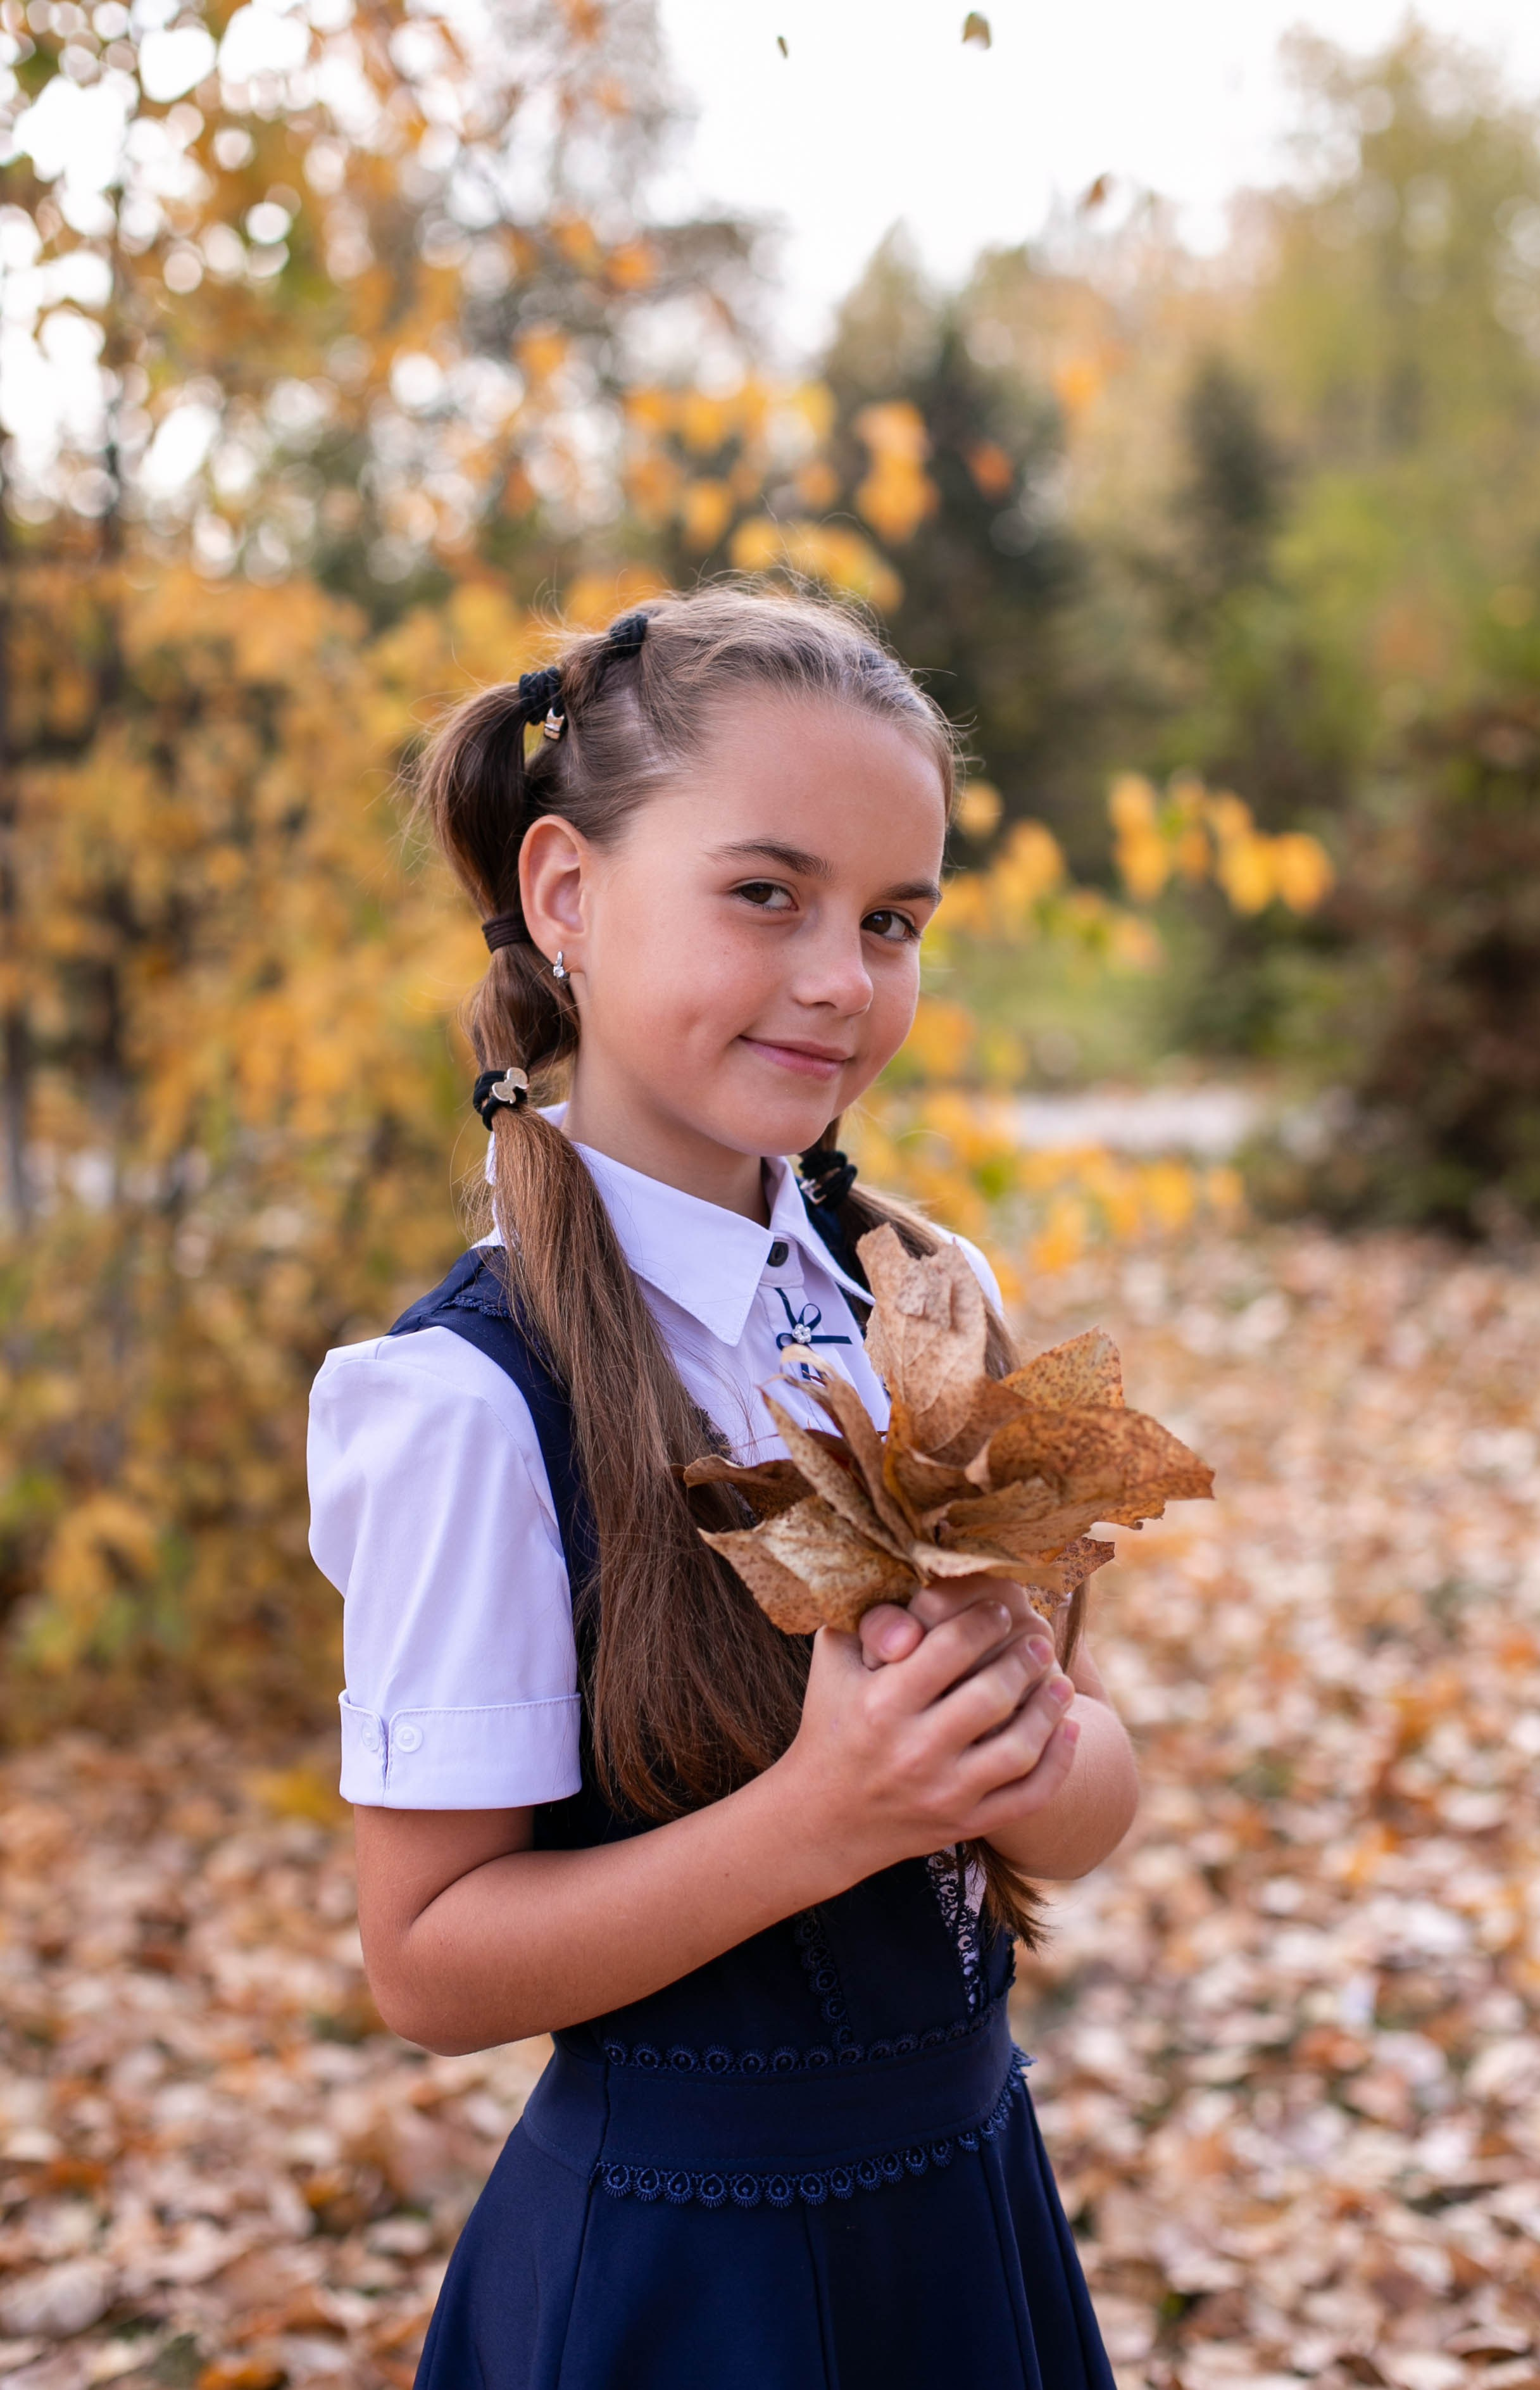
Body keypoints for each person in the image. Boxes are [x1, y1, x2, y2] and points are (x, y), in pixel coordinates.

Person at [306, 586, 1137, 2388]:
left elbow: (1077, 1799)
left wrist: (1022, 1748)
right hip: (688, 2284)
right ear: (567, 894)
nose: (843, 979)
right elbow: (428, 1964)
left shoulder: (926, 1295)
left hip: (966, 2220)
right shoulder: (467, 1401)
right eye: (768, 894)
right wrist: (824, 1814)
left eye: (893, 920)